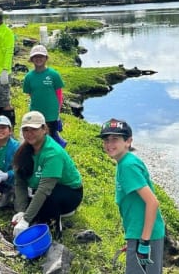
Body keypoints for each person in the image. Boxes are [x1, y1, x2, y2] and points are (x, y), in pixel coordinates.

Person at [99, 118, 166, 274]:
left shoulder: (128, 166)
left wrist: (144, 241)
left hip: (144, 236)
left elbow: (152, 202)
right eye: (106, 140)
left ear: (128, 141)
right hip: (138, 233)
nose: (109, 144)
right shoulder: (125, 162)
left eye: (115, 139)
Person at [10, 111, 83, 238]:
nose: (29, 134)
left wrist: (26, 219)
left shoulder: (53, 153)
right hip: (41, 187)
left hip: (68, 191)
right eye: (26, 130)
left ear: (44, 129)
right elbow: (19, 182)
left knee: (46, 203)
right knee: (27, 204)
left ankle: (57, 223)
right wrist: (22, 210)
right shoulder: (24, 150)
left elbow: (45, 189)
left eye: (34, 129)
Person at [22, 44, 67, 147]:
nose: (38, 59)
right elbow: (30, 93)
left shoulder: (54, 74)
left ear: (46, 58)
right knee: (37, 136)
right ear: (32, 59)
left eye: (41, 56)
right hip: (36, 112)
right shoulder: (29, 77)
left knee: (51, 137)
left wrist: (57, 109)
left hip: (51, 113)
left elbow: (59, 93)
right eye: (36, 57)